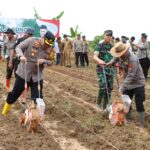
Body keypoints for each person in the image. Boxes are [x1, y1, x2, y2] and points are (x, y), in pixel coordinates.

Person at [2, 31, 55, 116]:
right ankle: (5, 111)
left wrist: (44, 61)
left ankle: (34, 117)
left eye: (49, 45)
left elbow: (52, 62)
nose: (47, 46)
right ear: (42, 38)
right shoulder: (31, 40)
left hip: (37, 76)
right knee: (14, 94)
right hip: (23, 73)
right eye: (46, 43)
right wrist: (21, 56)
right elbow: (18, 47)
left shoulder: (50, 49)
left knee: (38, 98)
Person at [107, 42, 145, 130]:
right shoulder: (120, 56)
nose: (119, 55)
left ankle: (141, 122)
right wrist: (110, 62)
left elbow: (131, 75)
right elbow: (115, 58)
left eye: (120, 54)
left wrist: (122, 87)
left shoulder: (132, 59)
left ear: (125, 51)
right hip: (128, 82)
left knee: (139, 102)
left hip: (138, 82)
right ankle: (128, 118)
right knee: (126, 101)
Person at [93, 30, 114, 110]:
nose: (109, 37)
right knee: (103, 87)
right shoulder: (99, 46)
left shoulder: (112, 47)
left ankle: (105, 107)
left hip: (110, 70)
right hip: (101, 69)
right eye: (107, 35)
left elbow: (116, 58)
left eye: (110, 36)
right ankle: (98, 104)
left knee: (109, 88)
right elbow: (95, 56)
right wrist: (99, 61)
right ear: (104, 36)